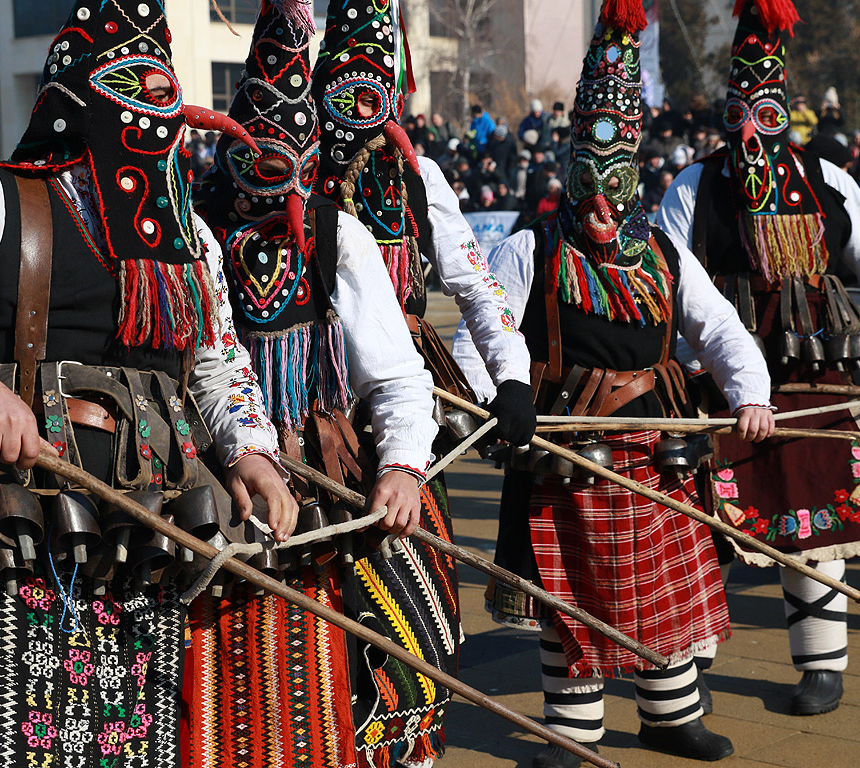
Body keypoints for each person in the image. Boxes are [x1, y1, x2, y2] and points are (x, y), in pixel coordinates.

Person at [0, 2, 296, 766]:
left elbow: (219, 364)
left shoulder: (192, 240)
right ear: (74, 101)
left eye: (166, 92)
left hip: (145, 549)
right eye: (133, 87)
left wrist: (249, 451)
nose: (155, 115)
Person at [453, 2, 774, 765]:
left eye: (614, 184)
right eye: (586, 183)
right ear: (570, 170)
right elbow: (482, 332)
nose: (599, 204)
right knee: (574, 602)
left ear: (635, 176)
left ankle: (671, 716)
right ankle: (573, 733)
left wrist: (750, 394)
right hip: (566, 451)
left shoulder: (664, 251)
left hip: (660, 446)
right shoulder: (530, 250)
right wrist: (487, 398)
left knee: (665, 591)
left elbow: (722, 329)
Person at [186, 2, 442, 766]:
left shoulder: (338, 233)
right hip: (211, 480)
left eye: (298, 165)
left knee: (373, 664)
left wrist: (399, 467)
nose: (287, 191)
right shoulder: (185, 226)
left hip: (330, 474)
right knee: (210, 684)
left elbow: (396, 373)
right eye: (266, 165)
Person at [311, 1, 535, 764]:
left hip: (402, 417)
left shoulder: (418, 174)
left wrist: (508, 378)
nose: (358, 108)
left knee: (424, 622)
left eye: (373, 89)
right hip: (298, 416)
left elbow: (476, 287)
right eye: (343, 86)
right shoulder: (273, 167)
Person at [658, 0, 860, 719]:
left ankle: (822, 664)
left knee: (815, 510)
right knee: (701, 522)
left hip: (816, 377)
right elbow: (665, 288)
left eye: (766, 108)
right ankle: (685, 677)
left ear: (785, 108)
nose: (752, 127)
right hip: (716, 383)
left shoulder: (831, 181)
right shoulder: (693, 188)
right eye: (739, 108)